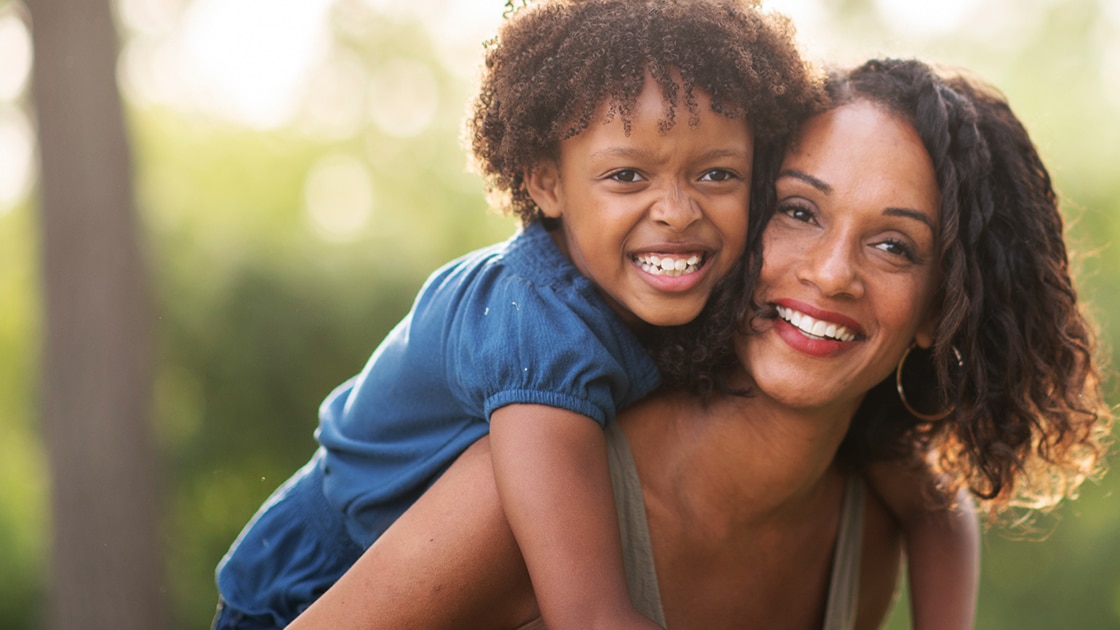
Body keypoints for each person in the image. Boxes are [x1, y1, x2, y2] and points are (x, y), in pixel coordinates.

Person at [287, 58, 1111, 629]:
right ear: (743, 214)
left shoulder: (867, 527)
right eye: (798, 210)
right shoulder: (531, 491)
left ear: (943, 308)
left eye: (894, 246)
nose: (830, 274)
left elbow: (940, 504)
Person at [212, 1, 821, 628]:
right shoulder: (536, 329)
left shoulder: (667, 296)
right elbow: (589, 616)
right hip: (309, 589)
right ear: (546, 184)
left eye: (717, 173)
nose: (676, 209)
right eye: (627, 175)